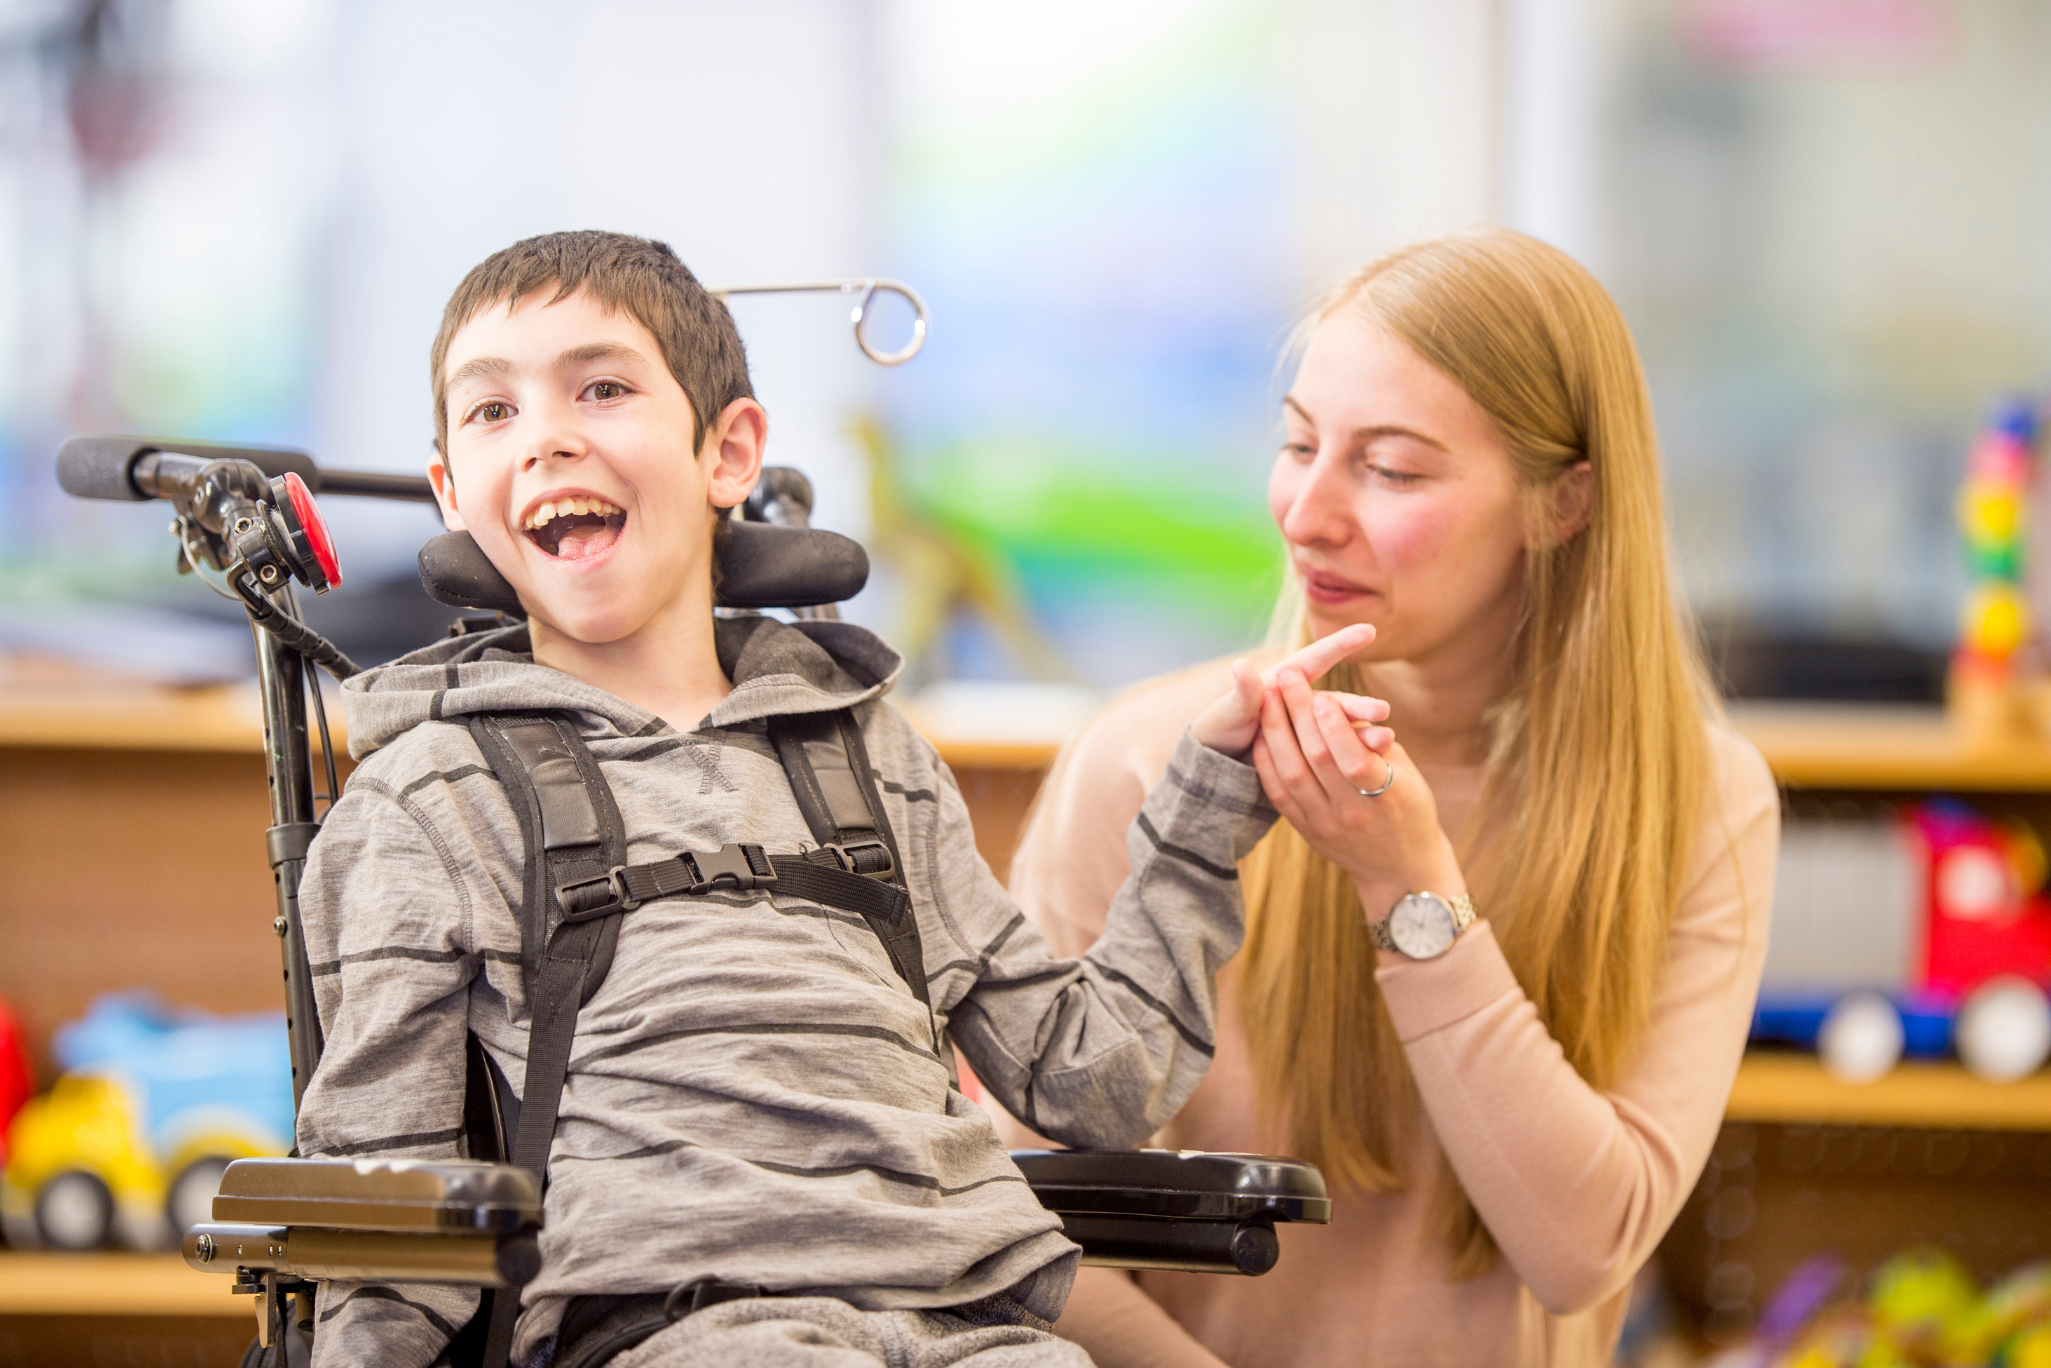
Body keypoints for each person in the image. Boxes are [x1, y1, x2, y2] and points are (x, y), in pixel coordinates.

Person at [292, 230, 1380, 1368]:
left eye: (602, 388)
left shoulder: (870, 759)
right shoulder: (428, 798)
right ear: (452, 493)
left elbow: (1092, 1080)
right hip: (685, 1325)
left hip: (975, 1319)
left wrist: (1206, 806)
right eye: (492, 411)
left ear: (730, 452)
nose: (549, 434)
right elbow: (383, 1216)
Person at [999, 229, 1781, 1367]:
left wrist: (1409, 888)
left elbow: (1581, 1251)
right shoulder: (1141, 764)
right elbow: (1010, 1224)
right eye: (1298, 444)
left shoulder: (1703, 803)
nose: (1306, 514)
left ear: (1564, 505)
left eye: (1393, 468)